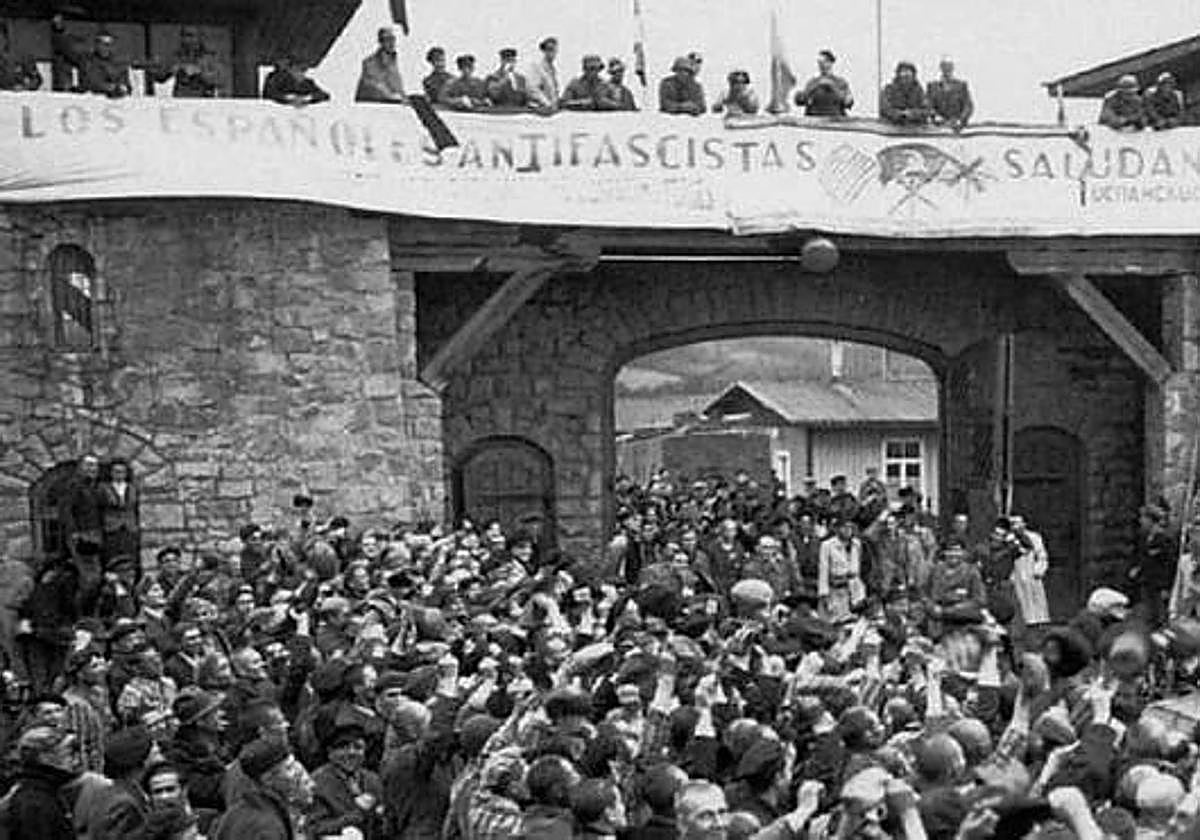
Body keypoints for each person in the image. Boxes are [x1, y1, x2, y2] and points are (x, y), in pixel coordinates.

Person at [213, 739, 313, 840]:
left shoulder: (237, 810)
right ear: (268, 779)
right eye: (289, 768)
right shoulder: (266, 827)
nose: (298, 771)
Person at [5, 726, 80, 840]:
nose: (76, 761)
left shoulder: (45, 791)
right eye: (68, 753)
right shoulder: (35, 803)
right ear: (44, 757)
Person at [148, 26, 222, 98]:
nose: (189, 40)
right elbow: (159, 77)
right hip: (181, 100)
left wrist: (200, 73)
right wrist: (172, 70)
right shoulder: (176, 56)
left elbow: (220, 80)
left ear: (200, 38)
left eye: (192, 36)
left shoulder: (209, 57)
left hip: (202, 100)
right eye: (185, 36)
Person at [1009, 514, 1050, 627]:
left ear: (1023, 524)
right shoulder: (1009, 540)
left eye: (1018, 523)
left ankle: (1039, 621)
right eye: (1013, 524)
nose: (1016, 526)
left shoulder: (1034, 538)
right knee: (1020, 600)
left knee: (1036, 598)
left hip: (1031, 572)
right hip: (1017, 573)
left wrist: (1039, 569)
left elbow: (1042, 556)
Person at [100, 460, 139, 573]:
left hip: (129, 528)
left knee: (130, 557)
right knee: (112, 559)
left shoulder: (132, 488)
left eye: (122, 472)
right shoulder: (104, 488)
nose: (119, 474)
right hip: (112, 528)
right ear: (111, 473)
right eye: (116, 471)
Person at [355, 27, 407, 103]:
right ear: (381, 42)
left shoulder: (393, 62)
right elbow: (376, 85)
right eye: (387, 39)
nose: (391, 43)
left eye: (392, 39)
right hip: (374, 105)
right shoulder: (370, 62)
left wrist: (404, 97)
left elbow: (397, 88)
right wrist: (392, 96)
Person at [795, 49, 853, 117]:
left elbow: (848, 103)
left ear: (831, 63)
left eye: (825, 62)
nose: (822, 65)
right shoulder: (812, 82)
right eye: (819, 62)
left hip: (835, 121)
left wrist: (833, 87)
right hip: (815, 121)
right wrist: (815, 87)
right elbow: (801, 101)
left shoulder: (841, 82)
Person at [261, 56, 330, 106]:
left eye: (303, 70)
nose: (301, 73)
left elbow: (324, 95)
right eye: (297, 69)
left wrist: (307, 98)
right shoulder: (279, 80)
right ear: (290, 70)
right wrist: (289, 98)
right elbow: (270, 94)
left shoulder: (308, 83)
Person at [926, 57, 973, 129]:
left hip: (958, 126)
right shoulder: (932, 86)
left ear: (952, 68)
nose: (947, 69)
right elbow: (928, 105)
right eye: (944, 66)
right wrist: (935, 116)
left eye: (949, 66)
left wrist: (961, 119)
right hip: (938, 126)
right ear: (941, 68)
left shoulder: (961, 85)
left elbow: (968, 106)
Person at [879, 61, 929, 127]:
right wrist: (900, 114)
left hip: (915, 128)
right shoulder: (889, 89)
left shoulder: (919, 91)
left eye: (908, 75)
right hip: (892, 127)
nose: (905, 78)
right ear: (898, 75)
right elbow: (885, 108)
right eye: (903, 74)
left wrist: (911, 113)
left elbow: (925, 110)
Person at [0, 22, 42, 91]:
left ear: (5, 39)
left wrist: (24, 87)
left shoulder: (22, 56)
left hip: (19, 98)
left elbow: (36, 80)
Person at [527, 37, 561, 112]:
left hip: (552, 108)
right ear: (544, 51)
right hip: (541, 108)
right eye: (549, 50)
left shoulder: (553, 69)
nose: (552, 53)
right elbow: (533, 88)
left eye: (554, 50)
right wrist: (546, 103)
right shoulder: (537, 67)